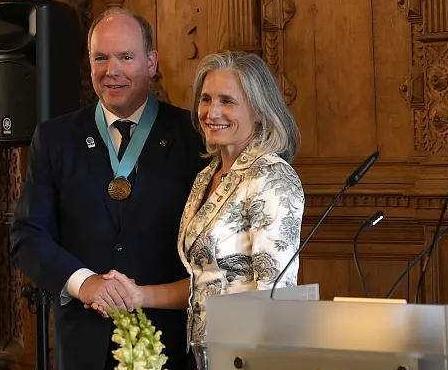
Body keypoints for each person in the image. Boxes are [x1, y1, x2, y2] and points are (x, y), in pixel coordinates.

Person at [10, 7, 207, 370]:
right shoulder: (55, 138)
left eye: (125, 57)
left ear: (152, 63)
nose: (111, 71)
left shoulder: (194, 136)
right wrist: (87, 284)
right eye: (101, 59)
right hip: (85, 355)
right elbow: (27, 236)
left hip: (172, 352)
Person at [97, 51, 304, 344]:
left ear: (258, 111)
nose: (212, 112)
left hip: (245, 359)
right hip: (201, 358)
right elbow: (202, 282)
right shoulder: (207, 176)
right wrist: (136, 295)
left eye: (227, 101)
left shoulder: (271, 177)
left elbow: (277, 293)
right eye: (206, 99)